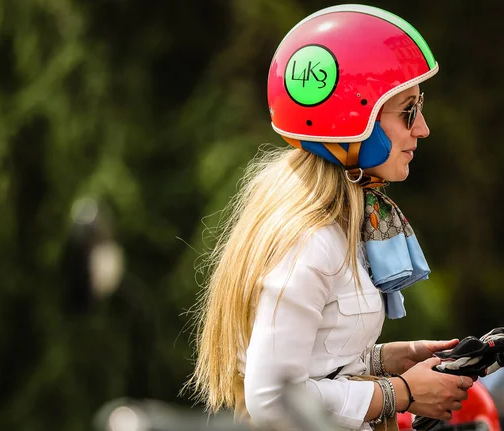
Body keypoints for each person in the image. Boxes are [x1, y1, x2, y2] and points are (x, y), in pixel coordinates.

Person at [186, 4, 473, 430]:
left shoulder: (343, 224)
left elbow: (318, 361)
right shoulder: (312, 241)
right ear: (358, 120)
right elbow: (272, 400)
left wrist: (385, 358)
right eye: (408, 110)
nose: (422, 128)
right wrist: (403, 393)